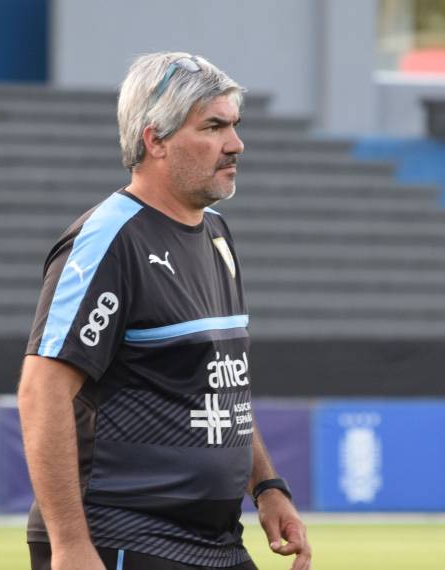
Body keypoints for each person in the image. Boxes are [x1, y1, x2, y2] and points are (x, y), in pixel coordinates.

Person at [18, 52, 311, 570]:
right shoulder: (109, 240)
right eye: (214, 126)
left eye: (234, 125)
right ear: (155, 140)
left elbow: (224, 390)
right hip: (125, 537)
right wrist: (69, 546)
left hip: (217, 541)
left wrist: (266, 486)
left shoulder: (217, 234)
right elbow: (41, 392)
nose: (235, 144)